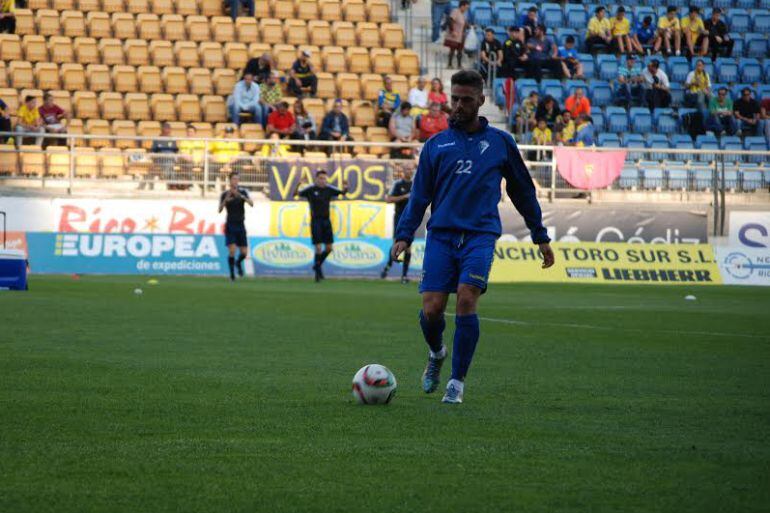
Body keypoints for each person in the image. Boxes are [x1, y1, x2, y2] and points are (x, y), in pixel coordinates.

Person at [390, 70, 553, 405]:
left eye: (466, 100)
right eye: (455, 99)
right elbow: (420, 197)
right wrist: (404, 234)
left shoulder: (500, 143)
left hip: (480, 234)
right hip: (442, 235)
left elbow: (523, 191)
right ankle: (436, 353)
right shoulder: (436, 145)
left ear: (481, 101)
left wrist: (540, 235)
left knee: (467, 298)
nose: (459, 106)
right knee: (432, 309)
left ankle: (456, 383)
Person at [294, 170, 348, 282]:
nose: (323, 181)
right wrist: (299, 184)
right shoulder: (310, 190)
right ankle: (318, 274)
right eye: (321, 178)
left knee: (329, 248)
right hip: (316, 221)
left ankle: (317, 266)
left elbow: (343, 192)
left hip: (326, 221)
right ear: (316, 179)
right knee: (318, 248)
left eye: (325, 178)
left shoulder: (329, 189)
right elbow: (295, 194)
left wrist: (345, 187)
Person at [218, 172, 253, 281]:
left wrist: (241, 196)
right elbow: (219, 209)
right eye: (234, 179)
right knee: (232, 250)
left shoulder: (243, 192)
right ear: (230, 181)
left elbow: (251, 203)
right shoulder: (225, 194)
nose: (235, 181)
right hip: (230, 225)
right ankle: (232, 275)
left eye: (237, 179)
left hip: (241, 224)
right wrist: (225, 201)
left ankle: (238, 263)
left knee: (244, 252)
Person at [380, 167, 413, 283]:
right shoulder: (398, 185)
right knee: (396, 244)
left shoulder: (415, 185)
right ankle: (387, 267)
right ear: (403, 172)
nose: (408, 172)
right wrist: (404, 197)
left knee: (408, 248)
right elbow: (388, 199)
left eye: (410, 170)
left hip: (411, 219)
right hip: (399, 218)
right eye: (407, 170)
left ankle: (404, 276)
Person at [444, 0, 469, 69]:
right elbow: (450, 21)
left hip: (461, 35)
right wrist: (452, 31)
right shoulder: (455, 11)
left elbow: (464, 24)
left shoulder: (463, 14)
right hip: (454, 35)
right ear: (462, 6)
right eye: (466, 7)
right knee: (452, 50)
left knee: (460, 51)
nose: (466, 9)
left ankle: (459, 65)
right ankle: (449, 64)